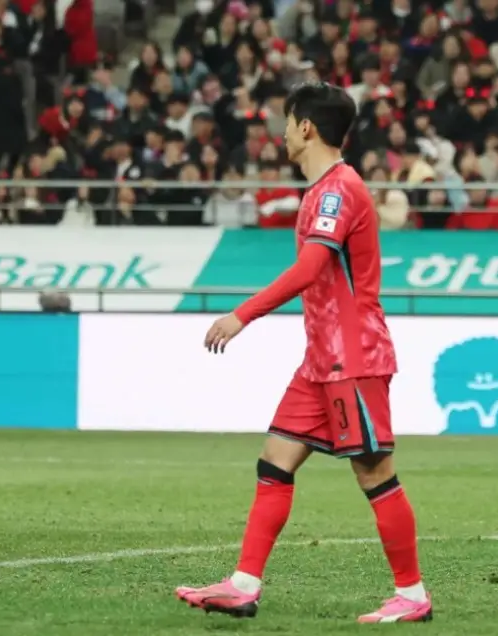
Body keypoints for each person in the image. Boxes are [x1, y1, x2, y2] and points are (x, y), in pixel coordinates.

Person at [175, 82, 432, 624]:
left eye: (289, 122)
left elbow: (311, 269)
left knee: (374, 473)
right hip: (321, 362)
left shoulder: (338, 191)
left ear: (307, 128)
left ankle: (412, 595)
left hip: (353, 359)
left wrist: (241, 314)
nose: (283, 132)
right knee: (275, 461)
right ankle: (244, 585)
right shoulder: (320, 190)